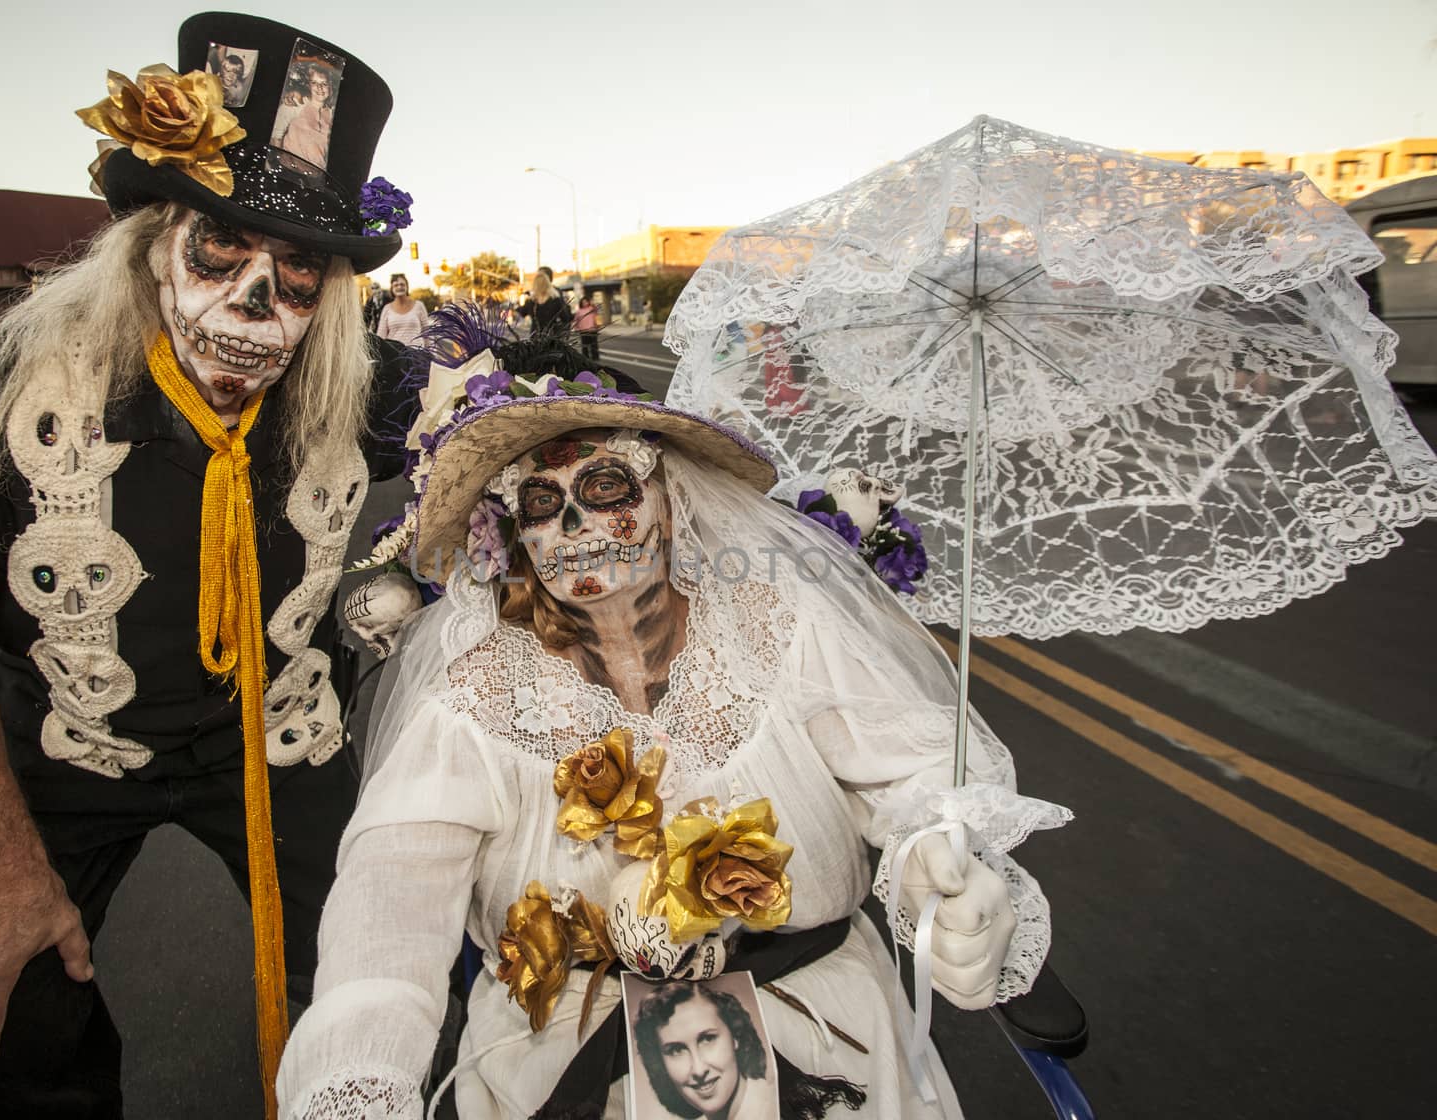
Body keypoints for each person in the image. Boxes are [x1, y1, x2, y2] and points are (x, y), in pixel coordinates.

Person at [275, 315, 1069, 1118]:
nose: (573, 528)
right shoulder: (480, 683)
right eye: (543, 503)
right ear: (517, 534)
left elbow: (909, 769)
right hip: (561, 1052)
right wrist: (359, 1068)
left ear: (670, 498)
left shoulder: (776, 623)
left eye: (606, 488)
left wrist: (937, 858)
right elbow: (393, 887)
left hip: (826, 1036)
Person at [0, 14, 420, 1118]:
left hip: (277, 730)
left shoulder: (367, 388)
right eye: (221, 250)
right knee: (2, 1019)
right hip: (58, 742)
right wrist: (5, 866)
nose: (257, 301)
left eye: (300, 273)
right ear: (152, 237)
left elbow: (535, 433)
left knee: (374, 978)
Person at [634, 983, 775, 1120]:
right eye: (676, 1050)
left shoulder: (776, 1106)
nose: (699, 1070)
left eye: (708, 1039)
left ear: (735, 1036)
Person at [277, 62, 336, 168]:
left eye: (324, 83)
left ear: (330, 88)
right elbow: (276, 136)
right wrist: (275, 165)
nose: (319, 88)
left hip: (315, 177)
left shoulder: (332, 115)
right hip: (288, 170)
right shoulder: (295, 103)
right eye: (314, 83)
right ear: (309, 85)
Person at [518, 265, 571, 338]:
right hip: (552, 337)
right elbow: (565, 318)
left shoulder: (531, 300)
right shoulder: (555, 297)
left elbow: (522, 312)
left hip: (535, 337)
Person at [377, 273, 429, 345]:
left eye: (402, 284)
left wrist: (430, 354)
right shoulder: (387, 309)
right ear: (392, 289)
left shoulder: (419, 306)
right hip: (396, 353)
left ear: (407, 287)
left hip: (417, 352)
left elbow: (427, 332)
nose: (399, 287)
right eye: (396, 285)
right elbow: (381, 336)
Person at [573, 294, 600, 360]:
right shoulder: (579, 311)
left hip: (592, 330)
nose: (585, 303)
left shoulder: (592, 309)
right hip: (583, 330)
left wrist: (592, 303)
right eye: (583, 302)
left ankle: (595, 357)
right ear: (581, 303)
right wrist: (576, 328)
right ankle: (586, 358)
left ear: (588, 302)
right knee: (584, 345)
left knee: (594, 345)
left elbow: (597, 308)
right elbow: (576, 320)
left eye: (586, 301)